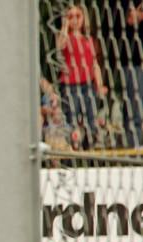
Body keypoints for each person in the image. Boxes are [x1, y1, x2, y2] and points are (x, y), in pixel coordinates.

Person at [56, 3, 108, 149]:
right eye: (70, 16)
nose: (74, 20)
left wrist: (99, 84)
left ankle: (90, 148)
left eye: (78, 16)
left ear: (84, 18)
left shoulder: (89, 40)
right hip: (70, 85)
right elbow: (60, 46)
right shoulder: (65, 37)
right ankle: (71, 149)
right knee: (71, 119)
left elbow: (94, 65)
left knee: (91, 119)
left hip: (87, 85)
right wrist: (65, 26)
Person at [115, 1, 143, 147]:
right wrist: (136, 14)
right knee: (134, 108)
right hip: (131, 65)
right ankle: (134, 145)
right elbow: (127, 21)